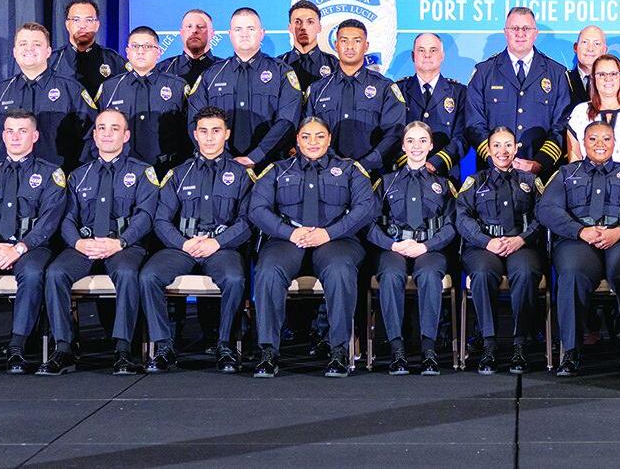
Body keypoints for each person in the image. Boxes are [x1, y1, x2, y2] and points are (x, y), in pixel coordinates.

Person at [249, 117, 376, 378]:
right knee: (268, 270)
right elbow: (257, 210)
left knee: (341, 270)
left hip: (336, 240)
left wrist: (328, 233)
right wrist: (290, 232)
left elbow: (366, 208)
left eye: (319, 136)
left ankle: (338, 349)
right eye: (306, 136)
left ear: (329, 139)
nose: (313, 142)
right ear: (297, 140)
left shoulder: (350, 169)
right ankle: (268, 352)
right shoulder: (277, 169)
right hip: (288, 240)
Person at [37, 109, 159, 376]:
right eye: (101, 128)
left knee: (127, 273)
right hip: (85, 245)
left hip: (123, 245)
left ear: (126, 135)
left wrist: (121, 242)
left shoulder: (142, 172)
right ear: (94, 134)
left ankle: (124, 349)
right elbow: (67, 217)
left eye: (114, 128)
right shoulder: (78, 175)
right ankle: (64, 347)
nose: (107, 133)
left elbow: (146, 215)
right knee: (55, 273)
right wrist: (78, 243)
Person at [140, 106, 250, 374]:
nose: (210, 137)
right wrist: (182, 243)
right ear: (194, 135)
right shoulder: (178, 174)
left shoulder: (241, 175)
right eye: (204, 131)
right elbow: (161, 220)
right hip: (183, 247)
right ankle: (164, 346)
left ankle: (225, 345)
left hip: (221, 248)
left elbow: (247, 221)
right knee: (148, 276)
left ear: (227, 134)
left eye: (216, 131)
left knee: (235, 279)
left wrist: (218, 242)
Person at [536, 120, 620, 378]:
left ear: (615, 143)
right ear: (583, 143)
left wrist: (619, 231)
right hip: (579, 239)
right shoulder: (566, 173)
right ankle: (572, 351)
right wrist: (580, 231)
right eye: (593, 139)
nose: (600, 144)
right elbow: (546, 209)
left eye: (606, 139)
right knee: (572, 273)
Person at [0, 110, 65, 373]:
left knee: (34, 273)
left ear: (35, 136)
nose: (15, 137)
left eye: (22, 131)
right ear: (2, 135)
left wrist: (19, 248)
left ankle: (17, 347)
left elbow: (49, 221)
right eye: (10, 131)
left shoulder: (50, 174)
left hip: (30, 248)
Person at [369, 121, 457, 376]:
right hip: (393, 247)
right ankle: (397, 351)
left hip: (429, 248)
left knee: (429, 275)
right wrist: (391, 244)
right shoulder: (385, 183)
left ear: (430, 146)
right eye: (410, 141)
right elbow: (370, 223)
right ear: (403, 146)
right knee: (391, 275)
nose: (416, 146)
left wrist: (427, 246)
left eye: (421, 141)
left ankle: (429, 350)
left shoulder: (444, 183)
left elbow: (452, 225)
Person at [456, 126, 543, 375]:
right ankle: (489, 344)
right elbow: (462, 217)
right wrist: (486, 241)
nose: (502, 151)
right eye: (496, 145)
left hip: (521, 244)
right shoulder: (475, 181)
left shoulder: (530, 181)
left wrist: (523, 239)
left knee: (525, 273)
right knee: (482, 274)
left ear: (516, 148)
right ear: (488, 149)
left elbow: (543, 216)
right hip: (484, 246)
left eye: (507, 145)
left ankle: (520, 344)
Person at [187, 7, 301, 168]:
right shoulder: (211, 75)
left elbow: (287, 122)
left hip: (271, 168)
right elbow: (195, 121)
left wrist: (256, 157)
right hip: (219, 168)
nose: (244, 34)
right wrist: (223, 158)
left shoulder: (282, 72)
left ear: (262, 33)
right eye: (238, 29)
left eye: (251, 28)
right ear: (230, 34)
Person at [466, 6, 571, 177]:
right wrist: (497, 159)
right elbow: (474, 123)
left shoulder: (556, 73)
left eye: (526, 28)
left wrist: (540, 162)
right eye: (514, 28)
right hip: (492, 175)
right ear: (505, 32)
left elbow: (562, 125)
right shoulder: (484, 72)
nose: (520, 33)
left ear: (535, 33)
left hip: (541, 176)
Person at [0, 22, 96, 172]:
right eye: (23, 44)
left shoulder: (71, 90)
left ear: (48, 52)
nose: (29, 48)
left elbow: (93, 139)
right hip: (5, 186)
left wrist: (78, 179)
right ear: (14, 52)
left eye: (37, 44)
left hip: (58, 188)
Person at [305, 19, 405, 176]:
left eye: (357, 41)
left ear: (366, 46)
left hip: (372, 177)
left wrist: (364, 165)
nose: (350, 46)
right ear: (336, 45)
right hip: (325, 176)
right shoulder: (318, 90)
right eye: (344, 41)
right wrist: (333, 165)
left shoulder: (385, 88)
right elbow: (307, 133)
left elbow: (394, 134)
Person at [96, 26, 189, 176]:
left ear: (159, 52)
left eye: (147, 46)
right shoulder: (110, 88)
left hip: (167, 170)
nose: (140, 51)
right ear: (127, 52)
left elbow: (188, 133)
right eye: (135, 46)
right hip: (120, 171)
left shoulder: (178, 87)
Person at [394, 33, 467, 180]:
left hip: (445, 176)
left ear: (442, 55)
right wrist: (411, 162)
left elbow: (462, 136)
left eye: (433, 50)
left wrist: (436, 162)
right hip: (404, 175)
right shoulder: (397, 90)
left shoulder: (459, 92)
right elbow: (391, 134)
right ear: (413, 55)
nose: (427, 55)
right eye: (421, 50)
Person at [48, 0, 124, 93]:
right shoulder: (52, 62)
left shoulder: (114, 61)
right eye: (76, 20)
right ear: (67, 24)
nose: (82, 25)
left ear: (97, 25)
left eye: (89, 20)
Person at [565, 25, 620, 104]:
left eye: (597, 44)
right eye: (585, 42)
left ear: (605, 50)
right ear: (575, 47)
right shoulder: (563, 80)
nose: (590, 49)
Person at [278, 0, 340, 89]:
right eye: (297, 22)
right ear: (290, 28)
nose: (303, 27)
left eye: (310, 22)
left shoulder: (334, 64)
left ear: (319, 27)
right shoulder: (278, 65)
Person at [157, 9, 221, 85]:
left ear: (212, 33)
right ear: (181, 33)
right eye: (189, 26)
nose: (194, 30)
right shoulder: (162, 70)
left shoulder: (225, 70)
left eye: (200, 27)